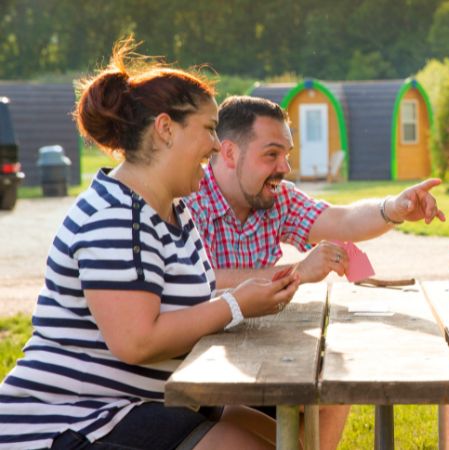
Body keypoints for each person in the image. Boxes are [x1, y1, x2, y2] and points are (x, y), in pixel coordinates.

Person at [0, 39, 298, 449]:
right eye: (209, 129)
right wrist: (236, 304)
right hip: (74, 421)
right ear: (164, 129)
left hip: (137, 405)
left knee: (284, 438)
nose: (216, 144)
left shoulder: (172, 209)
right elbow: (136, 341)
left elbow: (186, 306)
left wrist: (247, 298)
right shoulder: (116, 214)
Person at [182, 95, 446, 450]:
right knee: (246, 406)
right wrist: (297, 271)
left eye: (287, 155)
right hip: (200, 366)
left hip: (260, 350)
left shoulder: (276, 197)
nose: (284, 167)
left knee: (336, 381)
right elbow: (202, 280)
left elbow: (341, 220)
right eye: (271, 154)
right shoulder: (188, 201)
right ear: (229, 153)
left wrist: (394, 208)